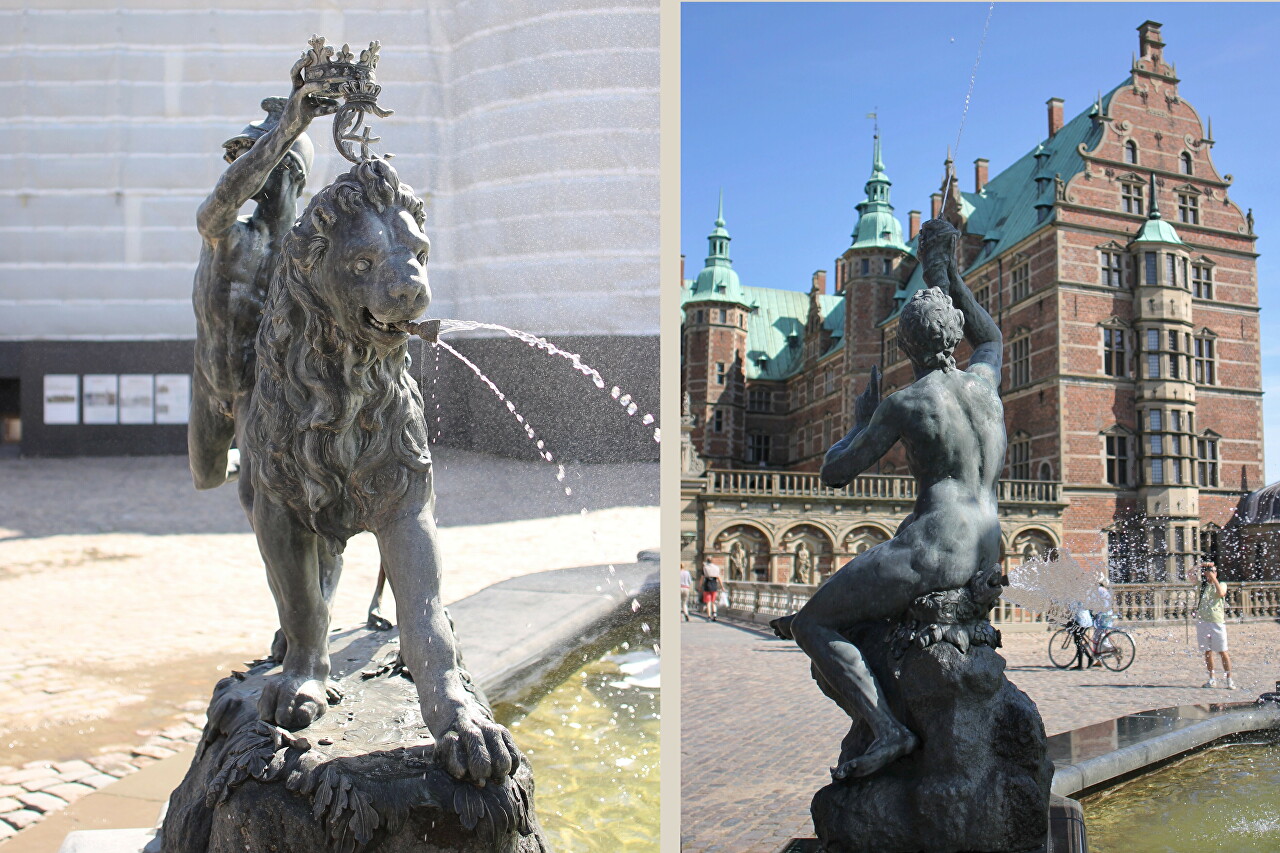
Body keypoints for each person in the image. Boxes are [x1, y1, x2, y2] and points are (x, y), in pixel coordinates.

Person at [772, 218, 1005, 780]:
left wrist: (857, 423)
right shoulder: (985, 382)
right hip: (988, 549)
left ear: (905, 344)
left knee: (813, 624)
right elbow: (993, 337)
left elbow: (835, 472)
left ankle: (887, 730)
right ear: (955, 336)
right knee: (846, 596)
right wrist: (949, 276)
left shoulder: (905, 402)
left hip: (936, 551)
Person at [188, 60, 338, 493]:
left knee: (258, 497)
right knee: (207, 476)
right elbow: (227, 192)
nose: (236, 167)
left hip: (261, 389)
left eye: (248, 157)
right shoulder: (224, 231)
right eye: (238, 158)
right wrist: (290, 125)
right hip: (208, 379)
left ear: (288, 173)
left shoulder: (304, 251)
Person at [1195, 562, 1235, 689]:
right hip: (1203, 622)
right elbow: (1189, 574)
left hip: (1216, 622)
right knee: (1207, 651)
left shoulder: (1222, 584)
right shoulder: (1202, 585)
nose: (1209, 573)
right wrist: (1199, 566)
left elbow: (1221, 593)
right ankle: (1212, 678)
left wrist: (1214, 579)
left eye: (1212, 571)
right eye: (1208, 571)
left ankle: (1229, 679)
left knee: (1223, 651)